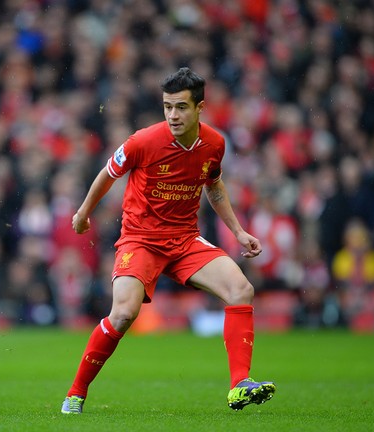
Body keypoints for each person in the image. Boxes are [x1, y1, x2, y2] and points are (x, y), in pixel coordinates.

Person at [60, 67, 275, 414]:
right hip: (140, 241)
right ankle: (75, 393)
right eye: (167, 107)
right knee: (123, 314)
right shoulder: (143, 141)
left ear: (200, 108)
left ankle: (239, 385)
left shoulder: (215, 145)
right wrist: (83, 213)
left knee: (241, 289)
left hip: (185, 240)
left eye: (181, 107)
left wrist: (238, 232)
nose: (173, 115)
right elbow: (107, 173)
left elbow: (214, 186)